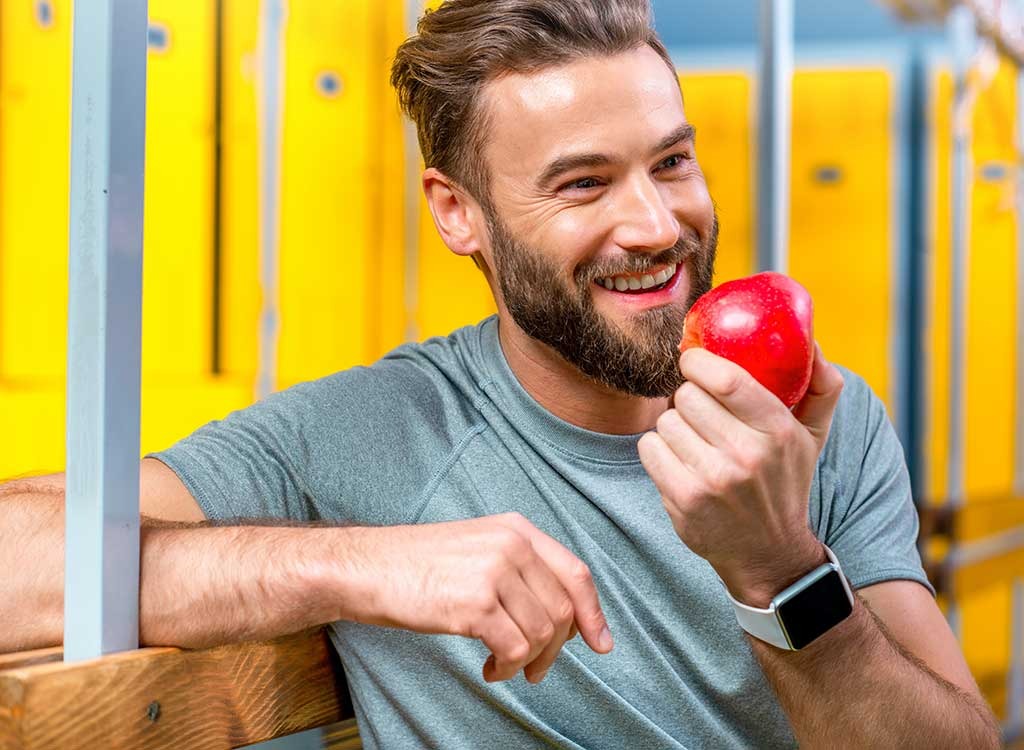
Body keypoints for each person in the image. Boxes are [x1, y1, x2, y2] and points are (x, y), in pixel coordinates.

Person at [0, 0, 1001, 747]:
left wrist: (781, 569)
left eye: (673, 162)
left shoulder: (817, 418)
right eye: (583, 182)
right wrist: (357, 564)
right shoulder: (382, 433)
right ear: (456, 212)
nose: (656, 226)